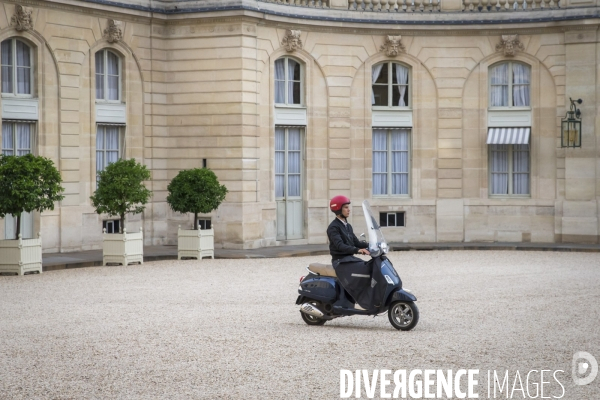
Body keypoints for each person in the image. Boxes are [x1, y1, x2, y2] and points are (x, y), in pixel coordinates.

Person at [327, 195, 370, 261]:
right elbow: (340, 246)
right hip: (340, 261)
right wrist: (357, 250)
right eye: (346, 207)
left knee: (369, 265)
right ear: (338, 209)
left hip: (349, 259)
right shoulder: (333, 227)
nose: (349, 210)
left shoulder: (348, 226)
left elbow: (356, 243)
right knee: (364, 268)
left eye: (348, 207)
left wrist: (371, 245)